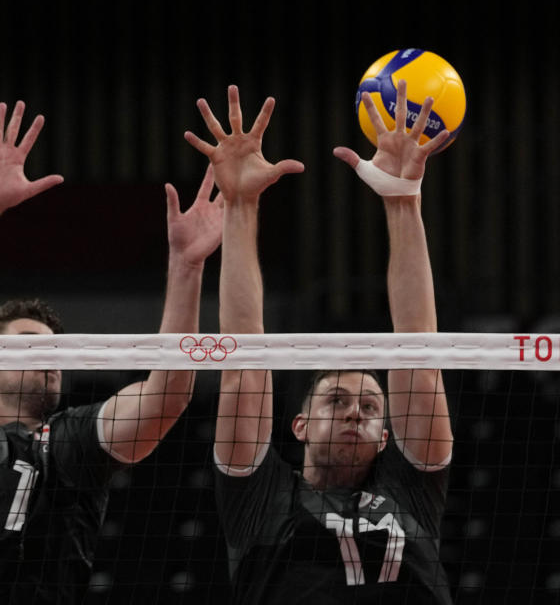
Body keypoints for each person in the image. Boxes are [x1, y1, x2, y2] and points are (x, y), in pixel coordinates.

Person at [0, 101, 224, 604]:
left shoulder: (76, 442)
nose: (49, 359)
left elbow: (164, 397)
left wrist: (187, 266)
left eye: (54, 350)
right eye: (27, 346)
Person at [185, 80, 454, 603]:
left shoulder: (410, 490)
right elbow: (242, 360)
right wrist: (239, 207)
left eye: (372, 407)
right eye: (337, 400)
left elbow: (419, 352)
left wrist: (404, 202)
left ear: (385, 436)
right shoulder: (259, 496)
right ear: (299, 426)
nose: (356, 412)